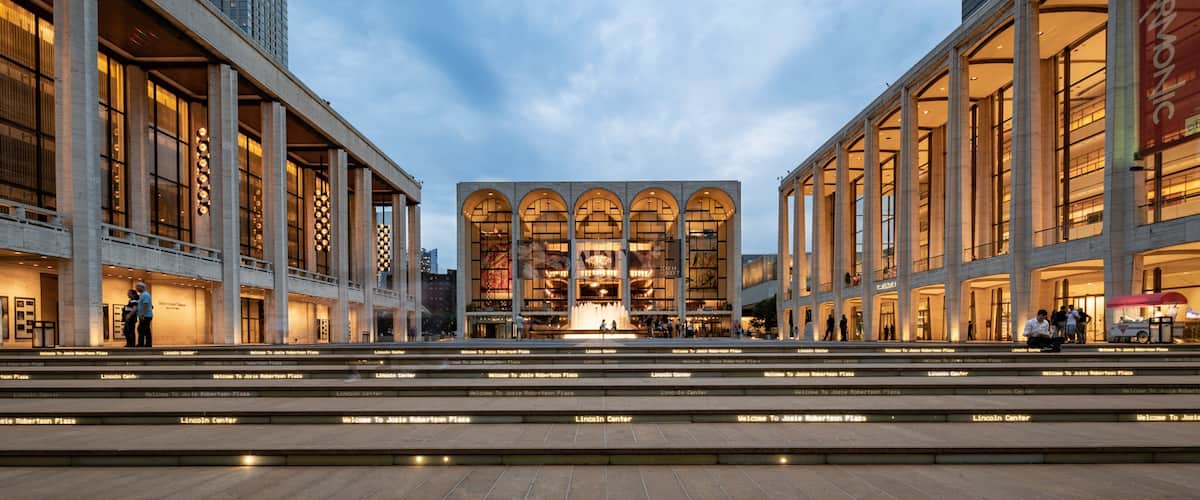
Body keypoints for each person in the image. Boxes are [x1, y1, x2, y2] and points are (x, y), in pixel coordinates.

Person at [135, 282, 153, 347]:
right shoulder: (142, 295)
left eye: (137, 287)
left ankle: (145, 344)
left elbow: (146, 304)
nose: (136, 288)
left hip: (146, 315)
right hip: (144, 315)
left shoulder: (145, 295)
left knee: (143, 329)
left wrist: (143, 314)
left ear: (142, 287)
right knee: (143, 329)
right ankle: (144, 343)